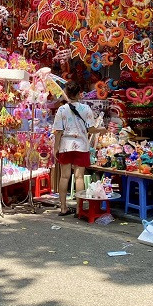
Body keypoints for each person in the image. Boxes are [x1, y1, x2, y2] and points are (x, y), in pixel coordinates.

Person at [52, 81, 104, 216]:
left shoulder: (62, 109)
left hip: (65, 145)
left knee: (64, 177)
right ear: (79, 94)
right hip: (81, 145)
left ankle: (63, 208)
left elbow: (58, 131)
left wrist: (55, 148)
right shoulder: (86, 109)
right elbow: (91, 129)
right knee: (79, 177)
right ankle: (79, 209)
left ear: (67, 94)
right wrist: (101, 129)